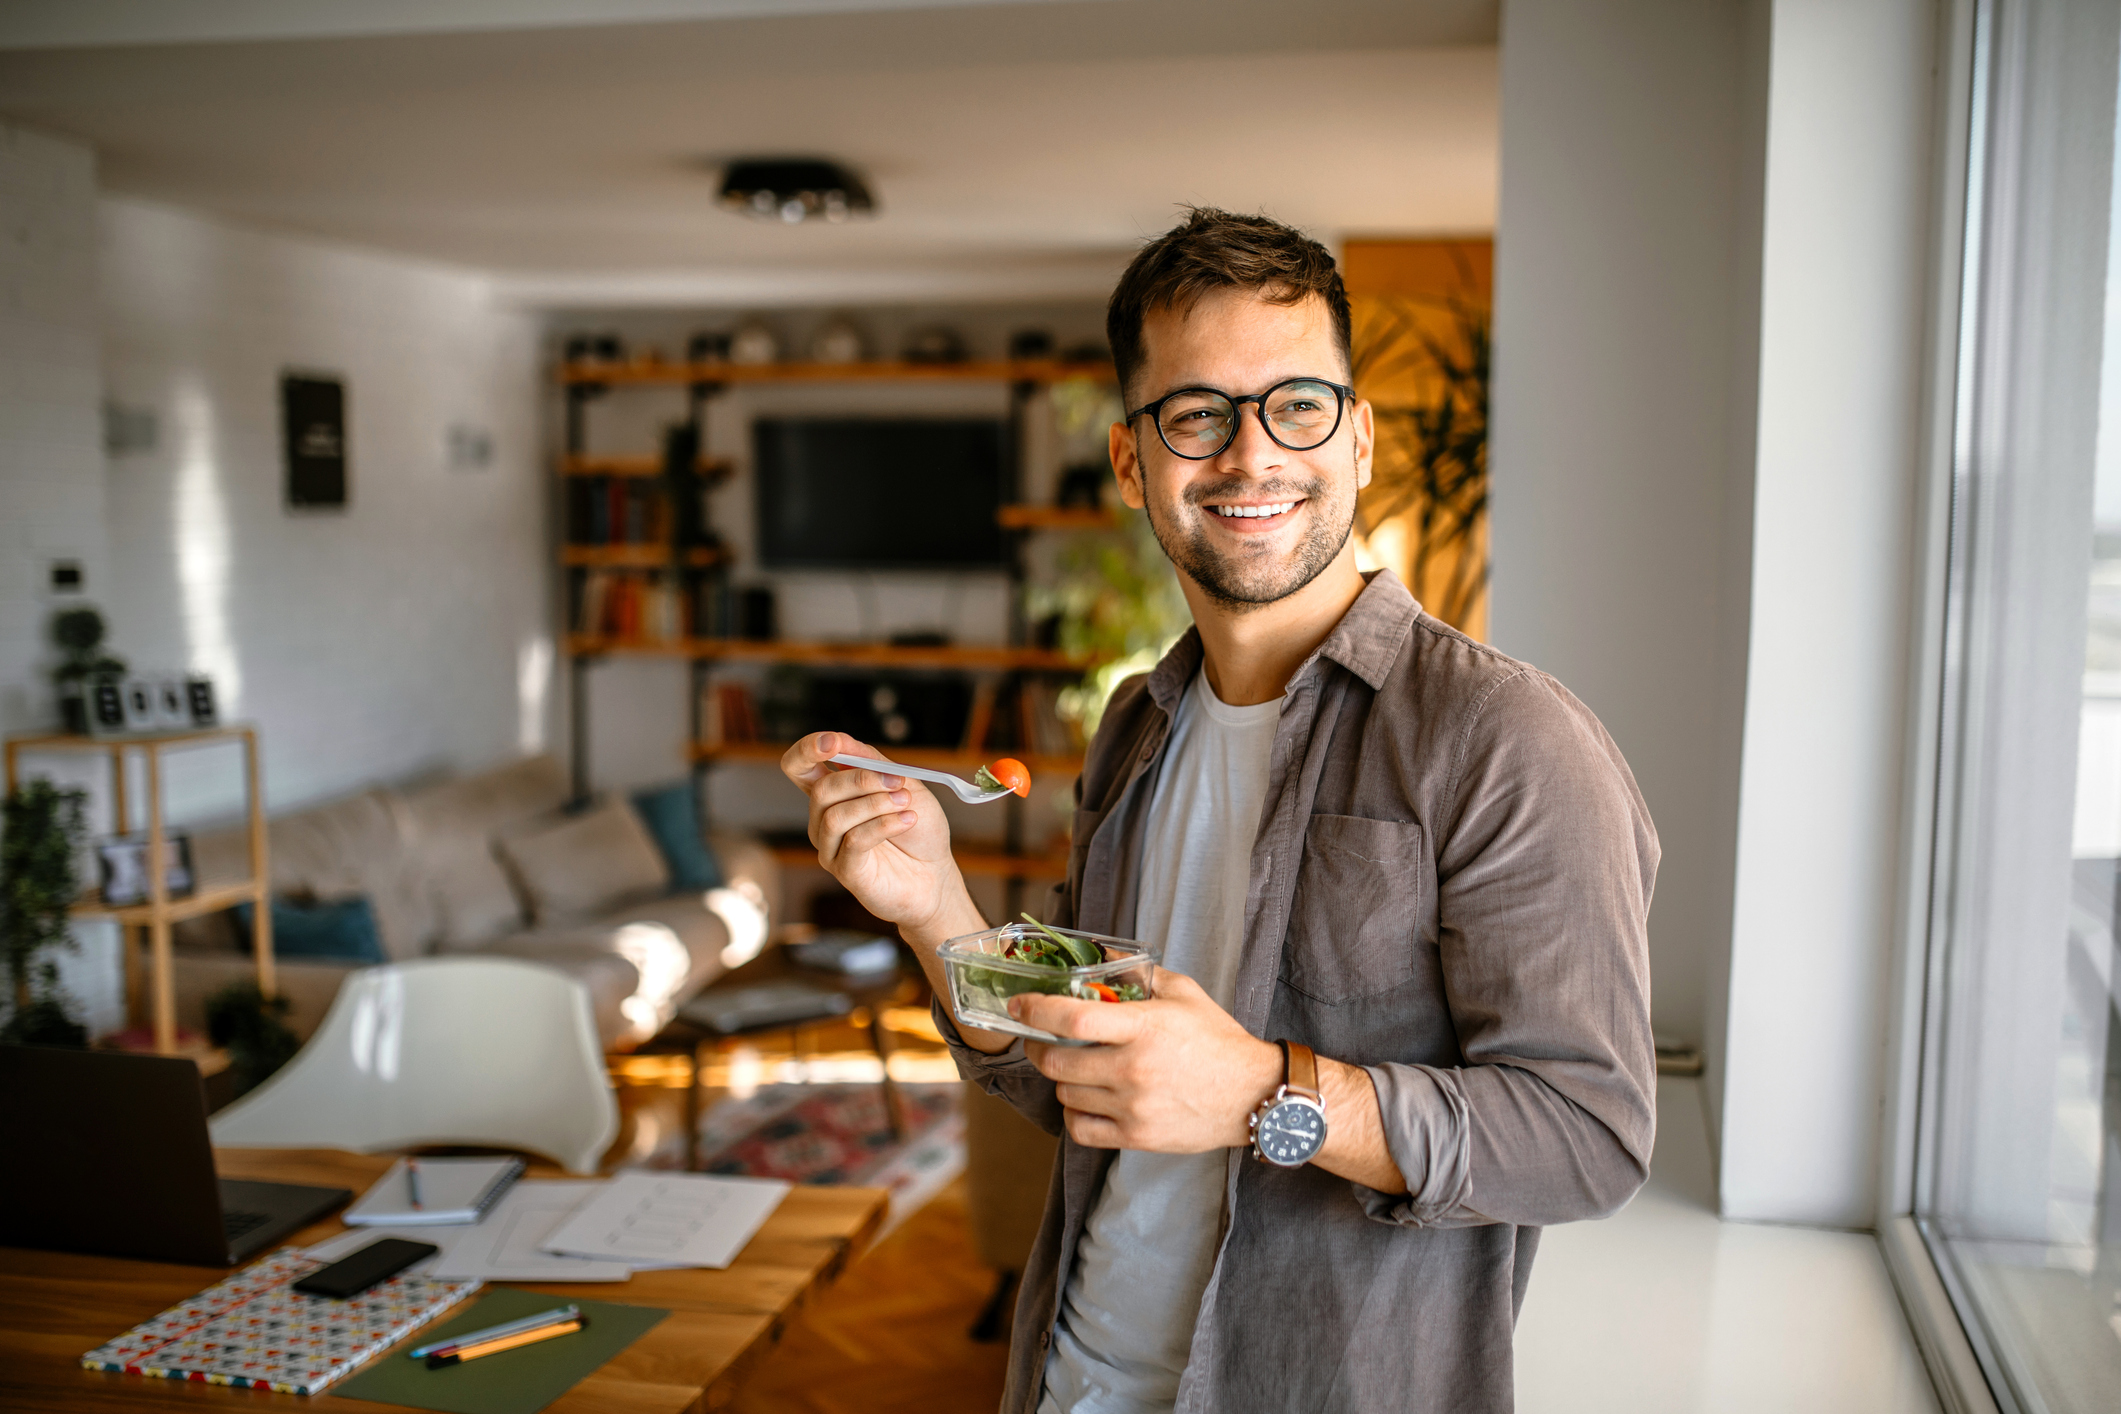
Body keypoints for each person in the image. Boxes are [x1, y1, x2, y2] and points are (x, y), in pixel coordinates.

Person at [781, 208, 1658, 1414]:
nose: (1252, 456)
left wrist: (1261, 1091)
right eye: (1198, 414)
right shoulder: (1139, 726)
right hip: (1070, 1377)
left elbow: (1588, 1138)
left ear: (1359, 440)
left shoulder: (1509, 741)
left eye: (1297, 404)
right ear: (1135, 460)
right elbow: (1072, 1078)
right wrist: (937, 908)